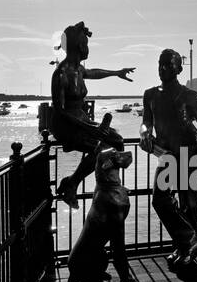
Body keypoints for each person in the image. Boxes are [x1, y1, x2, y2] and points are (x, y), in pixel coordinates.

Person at [141, 49, 197, 269]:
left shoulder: (190, 96)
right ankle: (187, 240)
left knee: (189, 201)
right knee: (159, 199)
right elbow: (147, 122)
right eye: (160, 64)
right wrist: (145, 133)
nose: (163, 68)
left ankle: (187, 246)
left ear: (178, 69)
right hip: (166, 154)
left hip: (188, 152)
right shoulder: (150, 95)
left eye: (168, 65)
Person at [50, 22, 134, 207]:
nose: (88, 49)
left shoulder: (79, 70)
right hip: (66, 126)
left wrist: (116, 73)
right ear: (79, 46)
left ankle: (110, 185)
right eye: (86, 44)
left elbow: (94, 72)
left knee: (117, 141)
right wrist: (91, 128)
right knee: (102, 147)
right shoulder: (61, 74)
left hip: (81, 121)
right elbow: (60, 111)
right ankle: (73, 184)